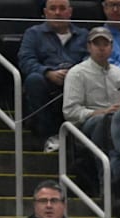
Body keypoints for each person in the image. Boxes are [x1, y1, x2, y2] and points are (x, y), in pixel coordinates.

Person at [20, 0, 88, 153]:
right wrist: (47, 72)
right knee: (34, 80)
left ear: (70, 12)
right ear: (45, 12)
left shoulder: (84, 35)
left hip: (77, 80)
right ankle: (49, 135)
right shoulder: (33, 33)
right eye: (53, 9)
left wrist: (75, 73)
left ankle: (80, 137)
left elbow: (89, 59)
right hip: (47, 81)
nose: (57, 13)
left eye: (62, 8)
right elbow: (26, 60)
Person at [61, 26, 120, 152]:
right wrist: (100, 112)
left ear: (111, 47)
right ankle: (103, 167)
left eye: (105, 44)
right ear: (89, 47)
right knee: (103, 121)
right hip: (87, 124)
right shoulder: (77, 73)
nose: (101, 48)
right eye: (96, 44)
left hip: (117, 120)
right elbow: (70, 111)